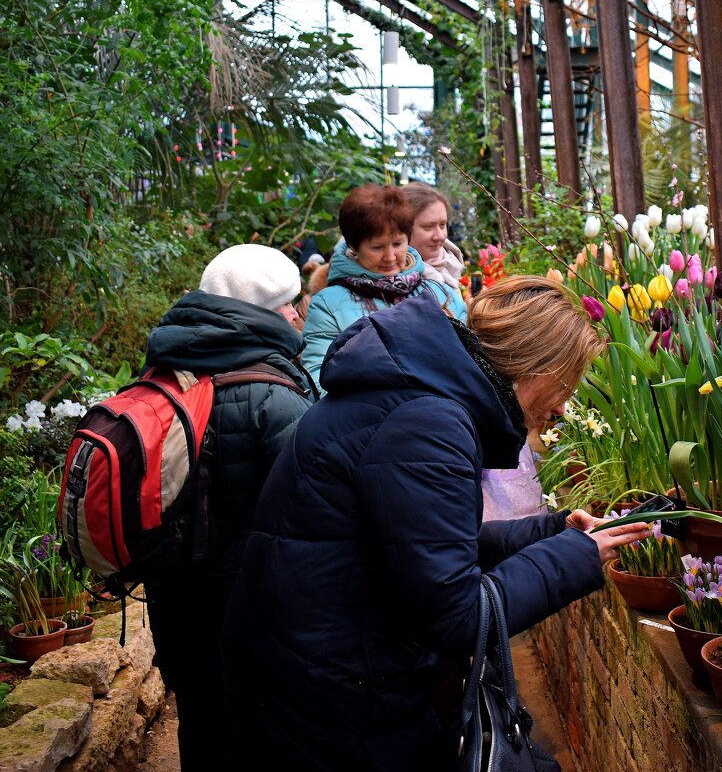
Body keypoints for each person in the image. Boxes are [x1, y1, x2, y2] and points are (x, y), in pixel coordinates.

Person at [221, 276, 650, 771]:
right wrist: (575, 557)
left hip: (319, 659)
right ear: (537, 365)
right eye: (565, 386)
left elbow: (420, 543)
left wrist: (549, 532)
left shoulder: (419, 395)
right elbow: (455, 615)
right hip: (333, 691)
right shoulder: (428, 423)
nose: (562, 407)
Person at [143, 243, 315, 772]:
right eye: (291, 302)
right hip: (250, 605)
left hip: (173, 597)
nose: (298, 313)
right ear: (273, 310)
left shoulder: (166, 367)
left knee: (200, 719)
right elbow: (313, 508)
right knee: (259, 732)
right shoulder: (275, 395)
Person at [300, 184, 467, 394]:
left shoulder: (439, 293)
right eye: (377, 247)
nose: (390, 257)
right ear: (353, 245)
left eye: (398, 244)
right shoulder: (328, 304)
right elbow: (319, 378)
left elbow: (470, 363)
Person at [402, 182, 468, 301]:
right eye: (428, 227)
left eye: (442, 225)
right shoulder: (392, 281)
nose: (440, 236)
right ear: (402, 228)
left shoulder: (451, 264)